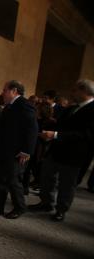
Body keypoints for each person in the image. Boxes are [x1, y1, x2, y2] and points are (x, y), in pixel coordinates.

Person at [29, 79, 94, 221]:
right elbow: (60, 125)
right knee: (47, 176)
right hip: (56, 150)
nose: (72, 92)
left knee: (67, 184)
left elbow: (86, 135)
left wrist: (56, 135)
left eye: (75, 90)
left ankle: (61, 210)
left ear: (84, 91)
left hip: (75, 155)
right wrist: (48, 133)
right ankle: (46, 203)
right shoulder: (71, 108)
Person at [0, 80, 38, 219]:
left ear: (14, 91)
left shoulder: (25, 105)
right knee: (1, 179)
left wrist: (27, 151)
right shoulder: (9, 107)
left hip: (16, 152)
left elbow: (32, 129)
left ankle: (20, 207)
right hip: (4, 150)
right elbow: (1, 128)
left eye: (5, 90)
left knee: (13, 180)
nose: (2, 93)